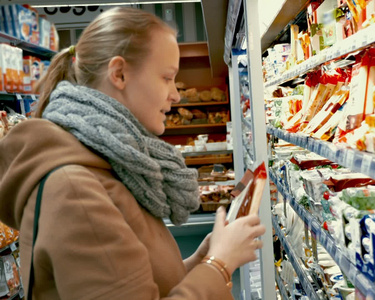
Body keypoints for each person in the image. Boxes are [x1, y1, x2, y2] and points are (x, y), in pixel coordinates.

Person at [0, 7, 265, 300]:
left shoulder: (105, 163)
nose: (176, 95)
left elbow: (141, 286)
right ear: (119, 74)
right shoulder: (74, 189)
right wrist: (220, 265)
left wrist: (202, 260)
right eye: (167, 77)